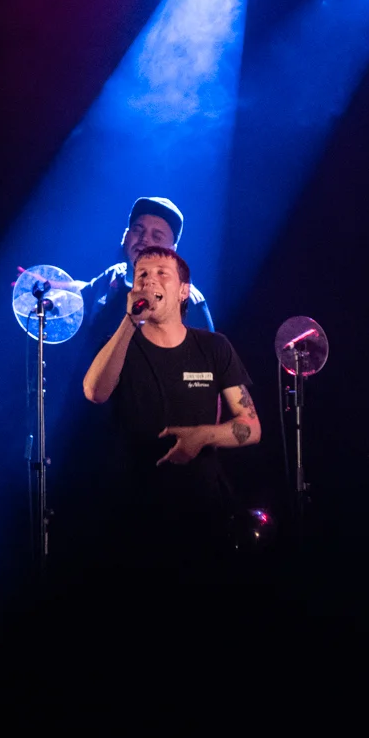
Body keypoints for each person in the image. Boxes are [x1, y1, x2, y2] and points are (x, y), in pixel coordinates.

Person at [82, 245, 259, 557]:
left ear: (183, 291)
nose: (149, 281)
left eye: (162, 274)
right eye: (142, 275)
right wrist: (129, 322)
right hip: (133, 513)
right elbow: (95, 392)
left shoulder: (214, 347)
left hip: (202, 512)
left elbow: (251, 427)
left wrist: (202, 436)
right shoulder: (118, 345)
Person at [80, 197, 215, 332]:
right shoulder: (111, 277)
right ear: (125, 236)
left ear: (172, 251)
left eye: (156, 236)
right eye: (138, 230)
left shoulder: (186, 303)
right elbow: (77, 297)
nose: (144, 239)